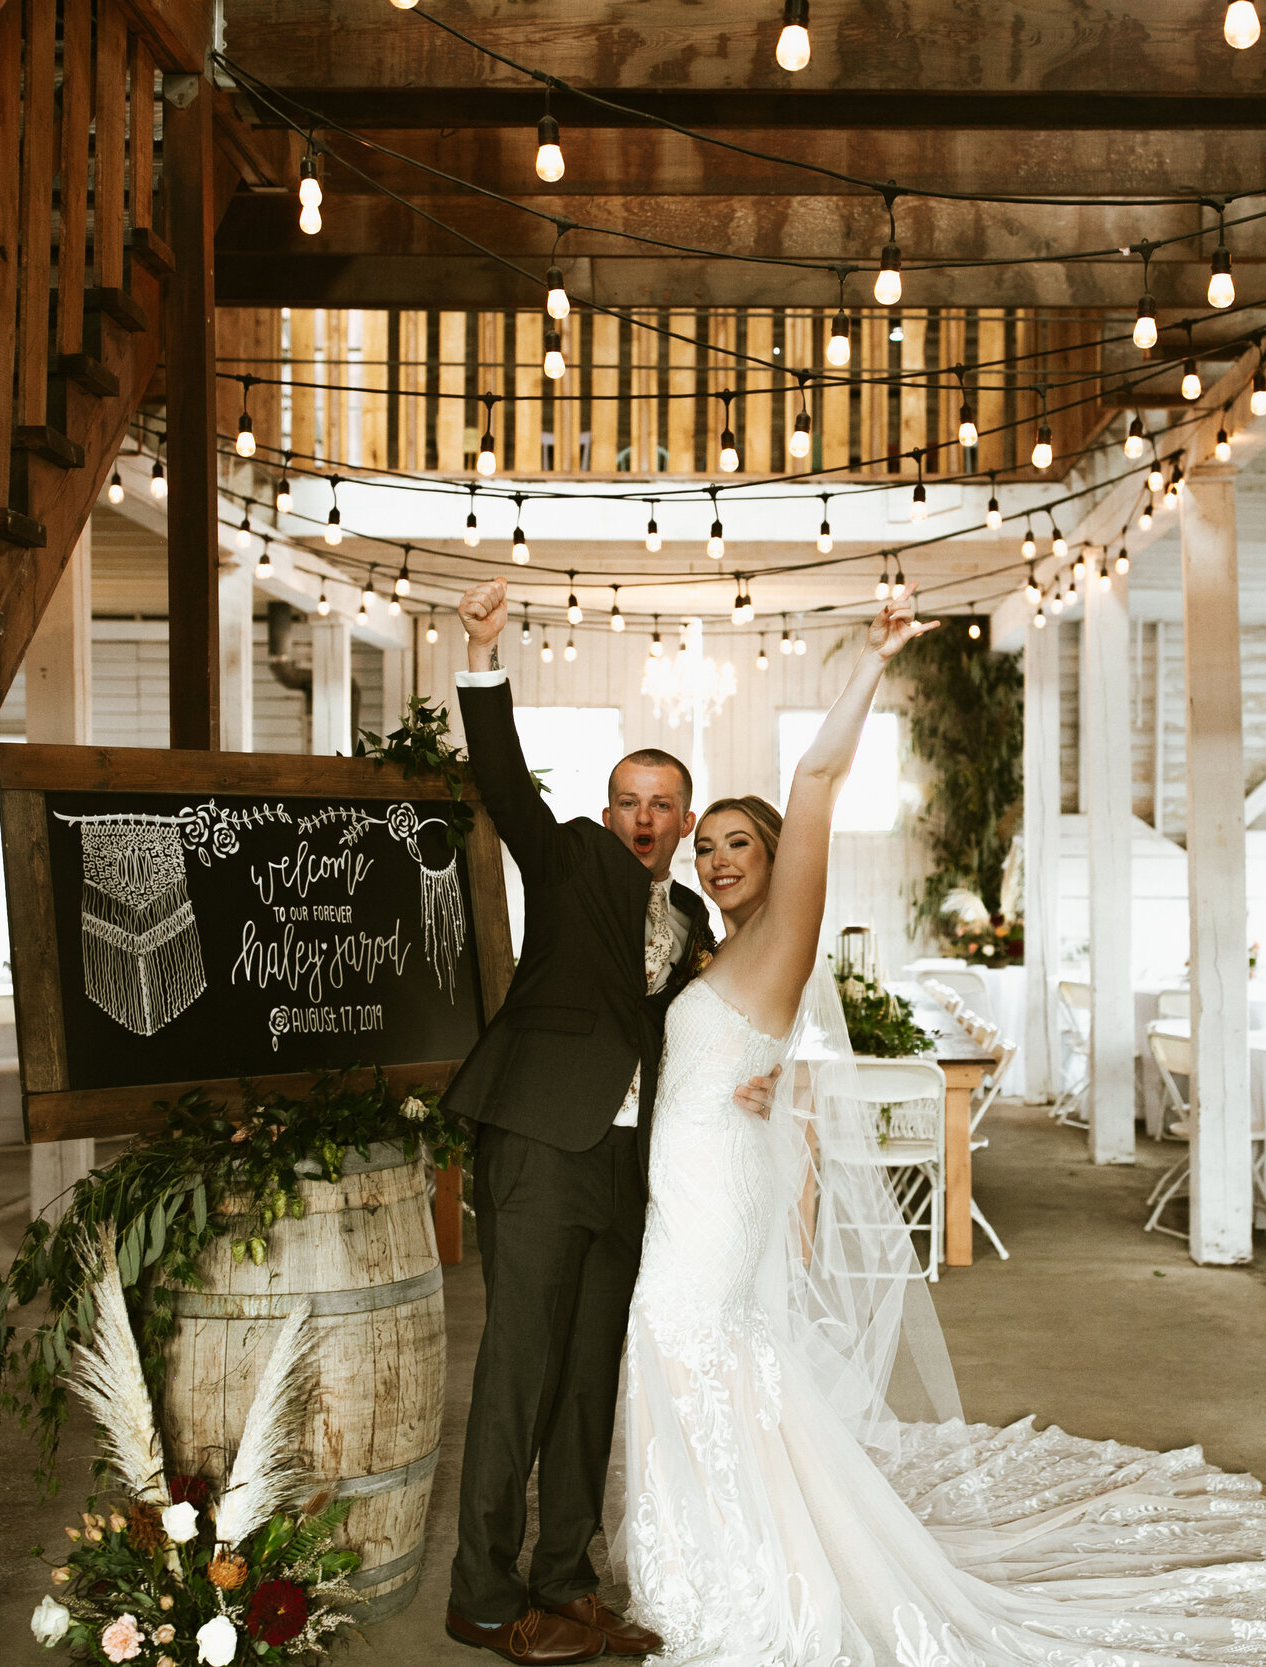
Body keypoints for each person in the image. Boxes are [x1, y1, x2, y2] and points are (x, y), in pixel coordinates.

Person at [610, 589, 1266, 1666]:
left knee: (688, 1348)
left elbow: (814, 780)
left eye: (738, 843)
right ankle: (710, 1549)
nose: (716, 858)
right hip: (701, 1182)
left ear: (776, 856)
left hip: (710, 1208)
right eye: (704, 844)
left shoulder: (778, 940)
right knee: (698, 1362)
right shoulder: (719, 950)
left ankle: (740, 1572)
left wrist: (871, 655)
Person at [440, 577, 773, 1666]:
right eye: (628, 797)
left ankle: (565, 1583)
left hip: (631, 1168)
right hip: (539, 1141)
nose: (642, 816)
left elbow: (711, 1020)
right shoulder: (572, 856)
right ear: (610, 805)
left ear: (684, 819)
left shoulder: (691, 916)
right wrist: (486, 655)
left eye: (661, 804)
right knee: (518, 1372)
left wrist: (760, 1075)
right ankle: (483, 1599)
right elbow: (500, 783)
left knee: (589, 1382)